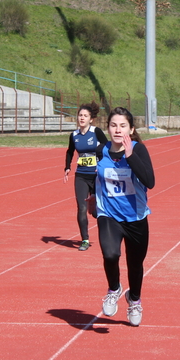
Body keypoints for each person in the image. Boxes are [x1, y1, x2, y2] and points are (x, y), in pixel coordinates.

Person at [91, 107, 155, 326]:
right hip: (108, 215)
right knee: (110, 254)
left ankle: (134, 300)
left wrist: (130, 156)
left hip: (136, 217)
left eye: (122, 125)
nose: (117, 130)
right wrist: (91, 196)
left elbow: (150, 181)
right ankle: (114, 288)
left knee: (135, 264)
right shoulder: (100, 151)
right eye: (113, 125)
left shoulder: (139, 150)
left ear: (131, 129)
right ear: (107, 127)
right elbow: (93, 176)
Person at [64, 102, 108, 251]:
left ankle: (107, 232)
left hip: (96, 175)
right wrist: (67, 167)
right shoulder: (74, 135)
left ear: (91, 119)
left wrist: (101, 162)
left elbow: (107, 146)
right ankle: (84, 239)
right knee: (81, 208)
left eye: (85, 116)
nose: (82, 118)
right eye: (80, 115)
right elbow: (70, 151)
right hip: (81, 175)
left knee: (97, 210)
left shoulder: (96, 132)